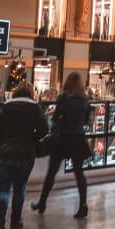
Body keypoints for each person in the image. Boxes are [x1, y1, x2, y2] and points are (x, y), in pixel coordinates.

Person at [0, 82, 48, 229]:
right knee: (20, 188)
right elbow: (44, 130)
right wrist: (32, 137)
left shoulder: (5, 108)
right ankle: (15, 220)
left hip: (4, 154)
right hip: (26, 154)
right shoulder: (35, 109)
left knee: (3, 190)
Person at [32, 72, 91, 218]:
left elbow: (56, 117)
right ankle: (83, 205)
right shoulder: (84, 99)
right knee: (79, 173)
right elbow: (86, 121)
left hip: (62, 139)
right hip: (78, 138)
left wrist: (60, 117)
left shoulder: (63, 98)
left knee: (51, 172)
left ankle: (42, 202)